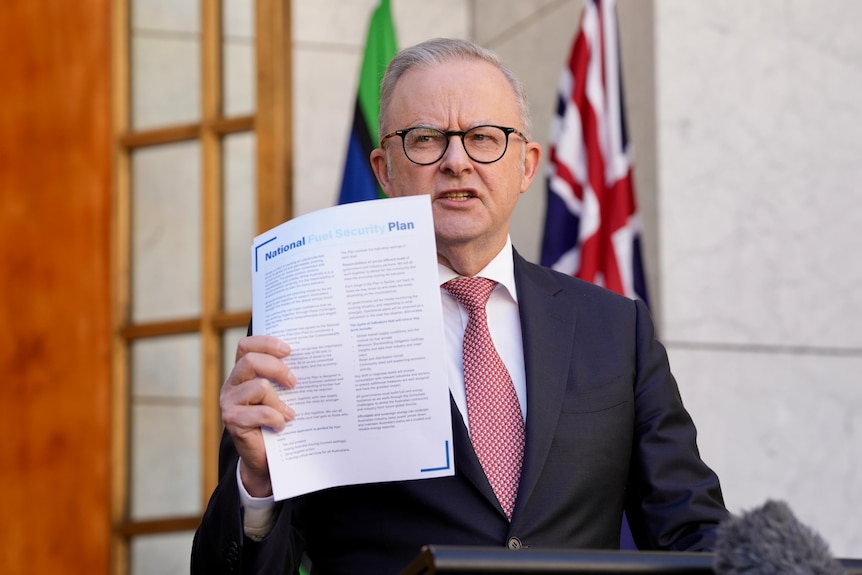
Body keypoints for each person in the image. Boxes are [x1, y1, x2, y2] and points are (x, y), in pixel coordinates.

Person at [192, 38, 728, 575]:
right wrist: (258, 487)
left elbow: (691, 531)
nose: (457, 162)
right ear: (384, 169)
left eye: (484, 138)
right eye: (425, 139)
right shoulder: (307, 325)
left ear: (526, 165)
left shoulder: (615, 330)